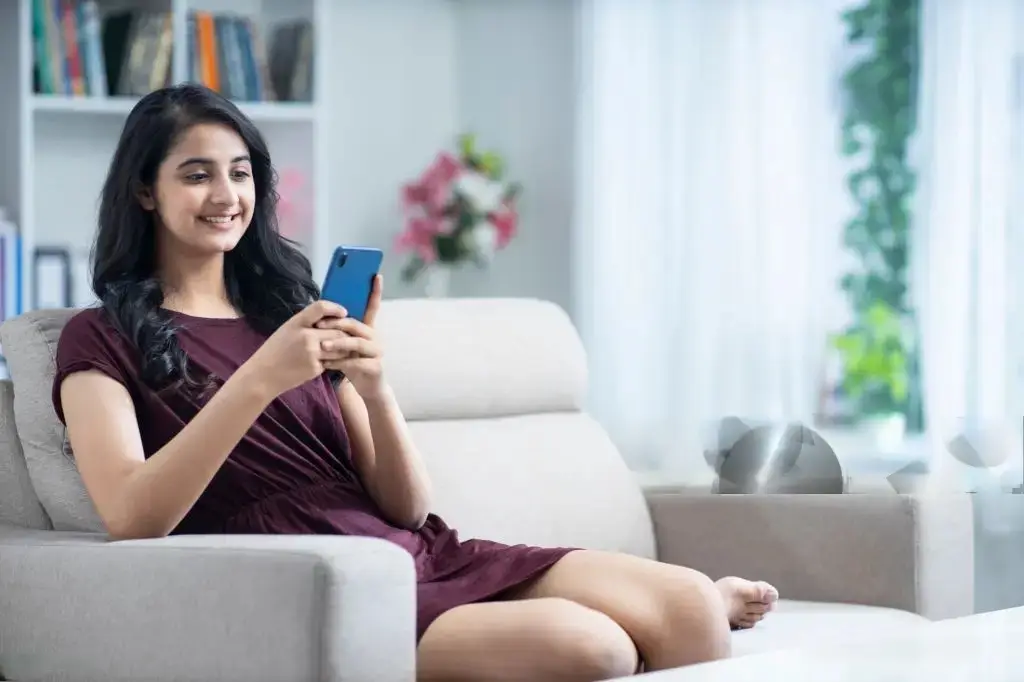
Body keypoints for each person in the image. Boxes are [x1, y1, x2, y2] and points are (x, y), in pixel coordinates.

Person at [53, 84, 778, 682]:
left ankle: (686, 612)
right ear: (144, 191)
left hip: (419, 550)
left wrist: (372, 384)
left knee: (686, 601)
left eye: (240, 172)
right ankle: (642, 631)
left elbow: (406, 505)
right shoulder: (103, 336)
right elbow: (131, 514)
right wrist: (259, 378)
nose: (226, 193)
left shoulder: (291, 313)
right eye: (196, 173)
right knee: (595, 650)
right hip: (324, 581)